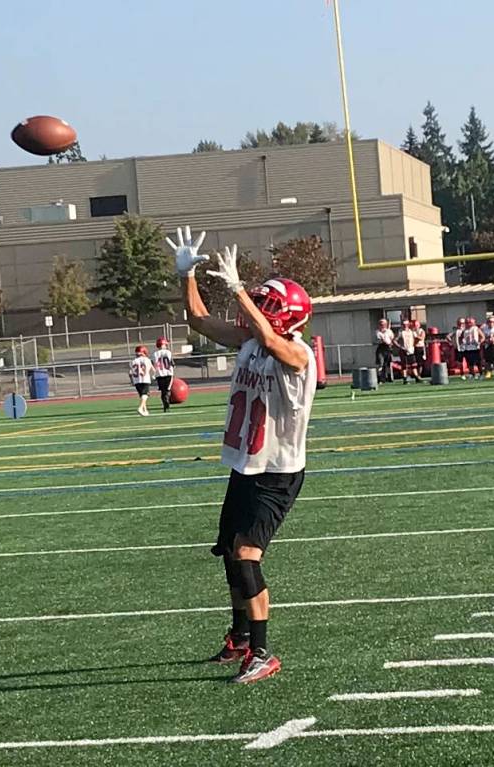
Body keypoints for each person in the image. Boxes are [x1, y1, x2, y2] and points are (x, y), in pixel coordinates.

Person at [170, 225, 317, 684]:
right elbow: (197, 320)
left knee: (248, 553)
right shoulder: (251, 342)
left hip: (277, 472)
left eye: (269, 308)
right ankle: (239, 637)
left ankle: (263, 651)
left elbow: (274, 343)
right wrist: (185, 275)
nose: (260, 315)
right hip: (245, 465)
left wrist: (235, 289)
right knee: (231, 553)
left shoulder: (297, 354)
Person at [129, 345, 155, 416]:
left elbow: (130, 373)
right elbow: (152, 370)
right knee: (145, 395)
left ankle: (145, 410)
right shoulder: (147, 360)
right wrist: (153, 375)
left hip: (136, 380)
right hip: (145, 379)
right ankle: (140, 408)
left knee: (142, 396)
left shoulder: (133, 361)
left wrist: (132, 381)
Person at [395, 319, 421, 383]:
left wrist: (413, 345)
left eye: (406, 324)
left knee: (413, 364)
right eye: (404, 324)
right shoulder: (400, 332)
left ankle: (416, 377)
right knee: (404, 365)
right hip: (403, 350)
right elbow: (394, 340)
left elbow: (417, 338)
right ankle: (405, 378)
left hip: (411, 350)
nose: (405, 326)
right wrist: (400, 347)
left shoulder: (411, 331)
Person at [153, 337, 175, 411]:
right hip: (168, 373)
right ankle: (167, 404)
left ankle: (165, 404)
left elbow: (154, 364)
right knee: (168, 390)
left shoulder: (155, 354)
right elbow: (172, 363)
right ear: (163, 344)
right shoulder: (168, 352)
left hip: (159, 374)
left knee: (163, 391)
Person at [374, 318, 395, 383]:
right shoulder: (377, 332)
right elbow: (380, 339)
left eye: (383, 324)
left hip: (388, 348)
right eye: (381, 324)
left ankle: (389, 377)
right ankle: (380, 378)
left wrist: (390, 343)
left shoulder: (389, 331)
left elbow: (392, 338)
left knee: (388, 364)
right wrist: (385, 340)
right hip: (381, 348)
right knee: (381, 364)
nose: (382, 325)